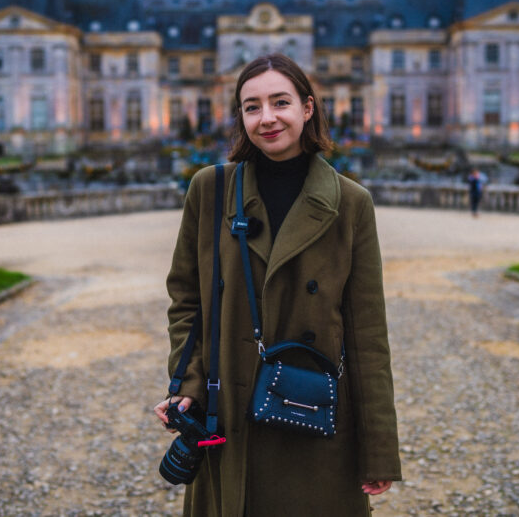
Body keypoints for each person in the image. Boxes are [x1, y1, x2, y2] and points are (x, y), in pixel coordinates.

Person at [155, 53, 402, 516]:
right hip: (230, 411)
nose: (266, 118)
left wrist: (379, 448)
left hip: (314, 415)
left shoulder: (351, 203)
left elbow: (368, 336)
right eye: (252, 107)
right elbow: (186, 300)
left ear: (307, 108)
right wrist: (187, 380)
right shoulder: (210, 190)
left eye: (280, 102)